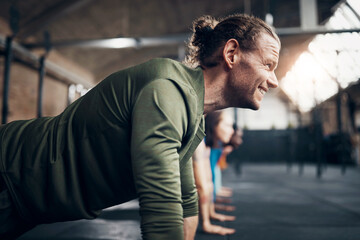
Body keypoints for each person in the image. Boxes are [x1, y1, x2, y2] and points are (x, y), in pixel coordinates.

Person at [0, 13, 280, 240]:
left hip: (26, 204)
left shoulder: (192, 117)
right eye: (268, 65)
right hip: (10, 176)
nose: (274, 80)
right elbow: (161, 209)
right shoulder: (169, 90)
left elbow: (185, 203)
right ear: (231, 53)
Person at [192, 110, 236, 235]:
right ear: (214, 124)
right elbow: (201, 186)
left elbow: (209, 181)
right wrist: (206, 224)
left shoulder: (207, 144)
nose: (232, 131)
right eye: (227, 125)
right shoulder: (199, 143)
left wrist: (211, 214)